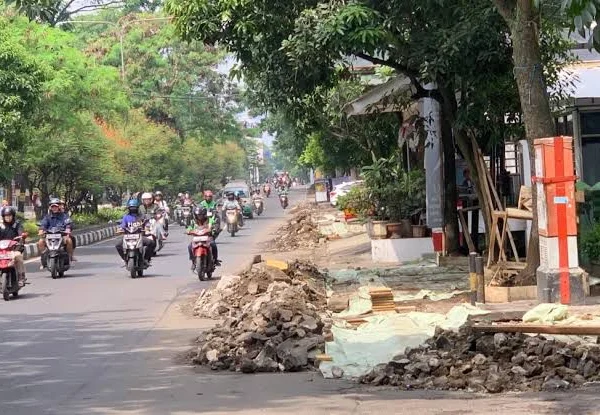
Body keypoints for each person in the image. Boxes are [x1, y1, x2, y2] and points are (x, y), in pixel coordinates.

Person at [115, 199, 156, 266]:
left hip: (139, 237)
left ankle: (146, 259)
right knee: (118, 246)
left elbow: (147, 223)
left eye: (134, 208)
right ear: (128, 208)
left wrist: (147, 228)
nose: (133, 210)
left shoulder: (142, 216)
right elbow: (122, 226)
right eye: (131, 208)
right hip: (127, 237)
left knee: (151, 243)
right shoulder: (126, 217)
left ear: (137, 208)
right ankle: (125, 259)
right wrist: (120, 229)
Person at [38, 198, 74, 269]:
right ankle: (44, 259)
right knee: (40, 242)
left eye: (56, 206)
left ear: (59, 207)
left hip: (61, 236)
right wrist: (41, 230)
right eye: (52, 206)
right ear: (50, 207)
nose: (54, 208)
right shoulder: (47, 217)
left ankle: (70, 258)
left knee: (69, 241)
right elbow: (43, 225)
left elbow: (68, 224)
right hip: (49, 236)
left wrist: (68, 229)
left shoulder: (64, 216)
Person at [187, 207, 220, 271]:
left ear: (204, 214)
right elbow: (189, 227)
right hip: (197, 238)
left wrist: (214, 230)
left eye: (201, 215)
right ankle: (193, 261)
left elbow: (214, 226)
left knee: (213, 244)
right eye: (198, 215)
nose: (199, 216)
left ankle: (215, 260)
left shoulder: (209, 220)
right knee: (189, 246)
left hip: (208, 237)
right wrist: (189, 231)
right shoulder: (193, 221)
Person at [0, 206, 27, 286]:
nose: (8, 217)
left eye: (9, 215)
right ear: (3, 217)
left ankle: (21, 277)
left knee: (18, 256)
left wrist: (22, 235)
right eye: (6, 216)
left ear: (13, 216)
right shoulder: (1, 226)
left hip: (15, 247)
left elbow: (21, 233)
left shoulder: (17, 224)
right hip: (3, 249)